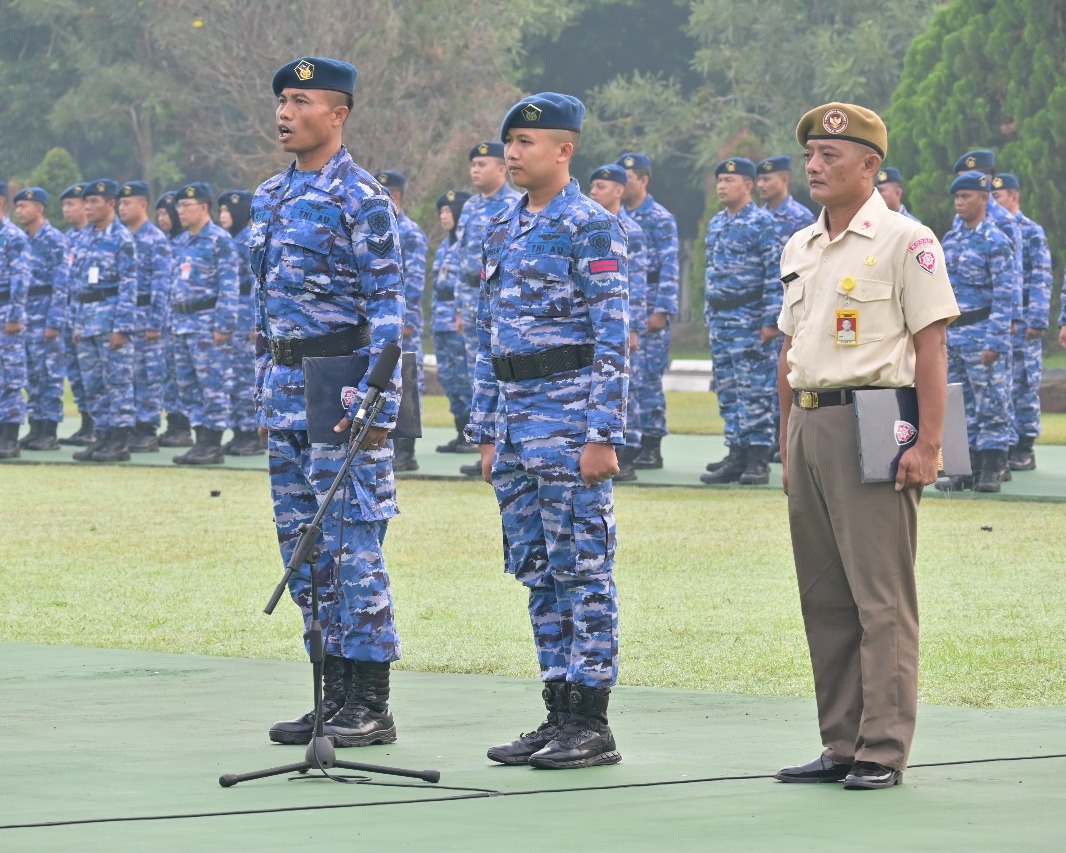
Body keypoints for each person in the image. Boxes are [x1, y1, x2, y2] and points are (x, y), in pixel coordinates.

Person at [775, 103, 958, 790]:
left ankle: (882, 746)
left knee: (881, 596)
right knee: (824, 595)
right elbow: (791, 348)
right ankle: (840, 741)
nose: (815, 166)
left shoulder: (907, 241)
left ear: (870, 165)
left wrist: (929, 442)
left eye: (831, 156)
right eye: (811, 156)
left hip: (881, 414)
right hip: (810, 421)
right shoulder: (800, 245)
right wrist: (784, 440)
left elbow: (931, 344)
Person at [470, 93, 628, 769]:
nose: (512, 153)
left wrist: (602, 432)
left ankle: (591, 718)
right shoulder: (499, 224)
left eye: (527, 142)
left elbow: (613, 334)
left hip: (568, 420)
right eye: (509, 141)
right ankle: (556, 707)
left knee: (582, 566)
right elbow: (486, 333)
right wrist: (484, 430)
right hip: (514, 424)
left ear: (565, 150)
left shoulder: (588, 225)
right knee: (536, 569)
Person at [252, 57, 405, 749]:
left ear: (337, 113)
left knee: (352, 545)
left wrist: (377, 403)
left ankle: (369, 702)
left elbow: (391, 312)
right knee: (305, 549)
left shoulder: (361, 197)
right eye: (283, 100)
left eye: (301, 100)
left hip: (341, 385)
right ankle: (329, 693)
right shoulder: (269, 195)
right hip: (284, 389)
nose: (285, 112)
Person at [699, 158, 781, 486]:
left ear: (748, 185)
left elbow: (775, 274)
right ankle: (736, 452)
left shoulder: (762, 223)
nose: (722, 185)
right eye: (719, 179)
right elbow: (710, 272)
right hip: (721, 320)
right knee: (729, 390)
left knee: (755, 389)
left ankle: (758, 457)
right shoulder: (718, 223)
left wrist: (769, 320)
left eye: (729, 180)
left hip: (749, 319)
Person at [936, 171, 1014, 493]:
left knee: (991, 403)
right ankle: (961, 470)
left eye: (966, 196)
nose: (959, 202)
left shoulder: (996, 240)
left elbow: (1005, 295)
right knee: (956, 404)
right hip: (954, 335)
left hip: (984, 333)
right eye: (956, 197)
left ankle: (992, 467)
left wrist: (996, 340)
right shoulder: (950, 240)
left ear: (983, 199)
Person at [456, 141, 521, 477]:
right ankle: (486, 443)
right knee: (477, 375)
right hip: (471, 298)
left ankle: (505, 445)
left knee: (501, 376)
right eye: (473, 164)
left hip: (502, 303)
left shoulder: (514, 206)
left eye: (483, 164)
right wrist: (458, 306)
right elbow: (462, 258)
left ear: (501, 169)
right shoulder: (469, 207)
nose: (475, 170)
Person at [168, 182, 239, 465]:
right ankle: (199, 441)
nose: (181, 211)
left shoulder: (218, 240)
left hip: (207, 324)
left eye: (186, 206)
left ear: (204, 207)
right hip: (181, 323)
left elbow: (229, 286)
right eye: (179, 207)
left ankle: (212, 444)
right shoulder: (180, 242)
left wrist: (224, 325)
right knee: (188, 386)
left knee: (213, 385)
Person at [616, 151, 678, 470]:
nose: (622, 185)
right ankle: (631, 441)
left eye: (627, 178)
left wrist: (662, 310)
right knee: (629, 380)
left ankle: (652, 444)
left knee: (649, 378)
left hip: (651, 304)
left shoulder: (659, 218)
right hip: (625, 307)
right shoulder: (615, 215)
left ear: (643, 180)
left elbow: (669, 266)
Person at [69, 179, 139, 463]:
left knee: (117, 382)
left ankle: (119, 442)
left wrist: (122, 327)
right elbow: (77, 284)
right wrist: (75, 322)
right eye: (86, 202)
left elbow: (128, 284)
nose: (88, 207)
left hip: (110, 321)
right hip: (85, 321)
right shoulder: (85, 236)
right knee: (93, 384)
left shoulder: (121, 238)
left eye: (94, 202)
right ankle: (101, 438)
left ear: (110, 203)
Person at [587, 163, 647, 482]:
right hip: (599, 320)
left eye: (601, 186)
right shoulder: (591, 226)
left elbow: (634, 282)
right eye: (593, 186)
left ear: (619, 191)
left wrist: (633, 328)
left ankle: (631, 453)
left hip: (623, 321)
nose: (594, 192)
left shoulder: (631, 230)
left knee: (628, 387)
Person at [991, 174, 1052, 471]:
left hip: (1026, 322)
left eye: (998, 196)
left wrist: (1036, 321)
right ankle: (1008, 442)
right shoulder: (993, 228)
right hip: (1002, 322)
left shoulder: (1031, 231)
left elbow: (1041, 276)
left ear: (1014, 197)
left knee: (1025, 384)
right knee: (1003, 386)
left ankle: (1025, 446)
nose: (993, 202)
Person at [377, 169, 427, 472]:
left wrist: (405, 319)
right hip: (380, 321)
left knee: (406, 381)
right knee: (384, 381)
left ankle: (406, 452)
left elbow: (416, 283)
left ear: (395, 197)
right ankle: (388, 445)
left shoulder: (410, 233)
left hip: (403, 321)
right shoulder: (377, 229)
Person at [12, 187, 69, 451]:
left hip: (46, 312)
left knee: (50, 374)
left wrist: (54, 321)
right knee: (32, 375)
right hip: (26, 314)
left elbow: (62, 283)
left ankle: (49, 431)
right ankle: (35, 427)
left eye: (24, 206)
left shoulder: (54, 239)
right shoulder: (21, 239)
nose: (19, 211)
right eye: (18, 206)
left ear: (40, 208)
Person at [117, 181, 172, 453]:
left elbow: (162, 285)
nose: (121, 208)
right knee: (128, 374)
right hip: (127, 316)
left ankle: (147, 429)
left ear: (143, 205)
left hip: (147, 315)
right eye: (120, 203)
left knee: (149, 375)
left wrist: (155, 323)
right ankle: (130, 425)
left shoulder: (155, 239)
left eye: (127, 203)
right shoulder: (121, 236)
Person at [429, 189, 479, 454]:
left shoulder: (466, 246)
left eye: (449, 211)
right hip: (441, 319)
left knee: (465, 377)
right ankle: (460, 431)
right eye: (441, 212)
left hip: (460, 317)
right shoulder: (445, 246)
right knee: (449, 378)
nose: (444, 217)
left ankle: (472, 435)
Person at [218, 189, 263, 456]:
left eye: (228, 211)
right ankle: (237, 432)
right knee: (232, 379)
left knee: (247, 379)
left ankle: (250, 433)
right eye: (220, 211)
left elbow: (256, 286)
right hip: (231, 318)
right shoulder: (226, 241)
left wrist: (254, 324)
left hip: (246, 319)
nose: (223, 216)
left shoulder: (251, 241)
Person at [154, 190, 194, 449]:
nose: (163, 218)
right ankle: (173, 424)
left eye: (166, 213)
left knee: (185, 378)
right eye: (158, 213)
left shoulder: (186, 242)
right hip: (169, 320)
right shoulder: (168, 243)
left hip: (189, 320)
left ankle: (184, 426)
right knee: (170, 375)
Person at [58, 182, 94, 447]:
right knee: (77, 373)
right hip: (71, 316)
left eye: (71, 204)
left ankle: (97, 426)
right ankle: (85, 423)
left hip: (93, 316)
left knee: (95, 374)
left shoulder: (97, 236)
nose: (66, 210)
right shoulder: (69, 239)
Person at [0, 180, 33, 459]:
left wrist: (13, 315)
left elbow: (21, 281)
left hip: (5, 314)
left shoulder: (13, 236)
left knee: (9, 378)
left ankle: (9, 438)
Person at [756, 155, 816, 241]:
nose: (760, 185)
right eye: (759, 180)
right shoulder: (758, 215)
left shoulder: (801, 218)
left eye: (766, 180)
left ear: (784, 180)